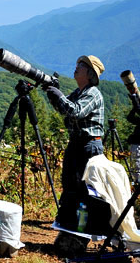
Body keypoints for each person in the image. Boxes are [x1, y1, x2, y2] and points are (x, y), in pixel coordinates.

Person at [46, 55, 105, 243]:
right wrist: (52, 92)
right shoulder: (79, 92)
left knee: (84, 190)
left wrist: (58, 94)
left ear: (89, 73)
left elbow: (75, 111)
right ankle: (71, 228)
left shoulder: (92, 93)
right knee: (71, 186)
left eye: (80, 66)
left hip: (88, 146)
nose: (76, 67)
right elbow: (63, 108)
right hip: (77, 144)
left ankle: (81, 233)